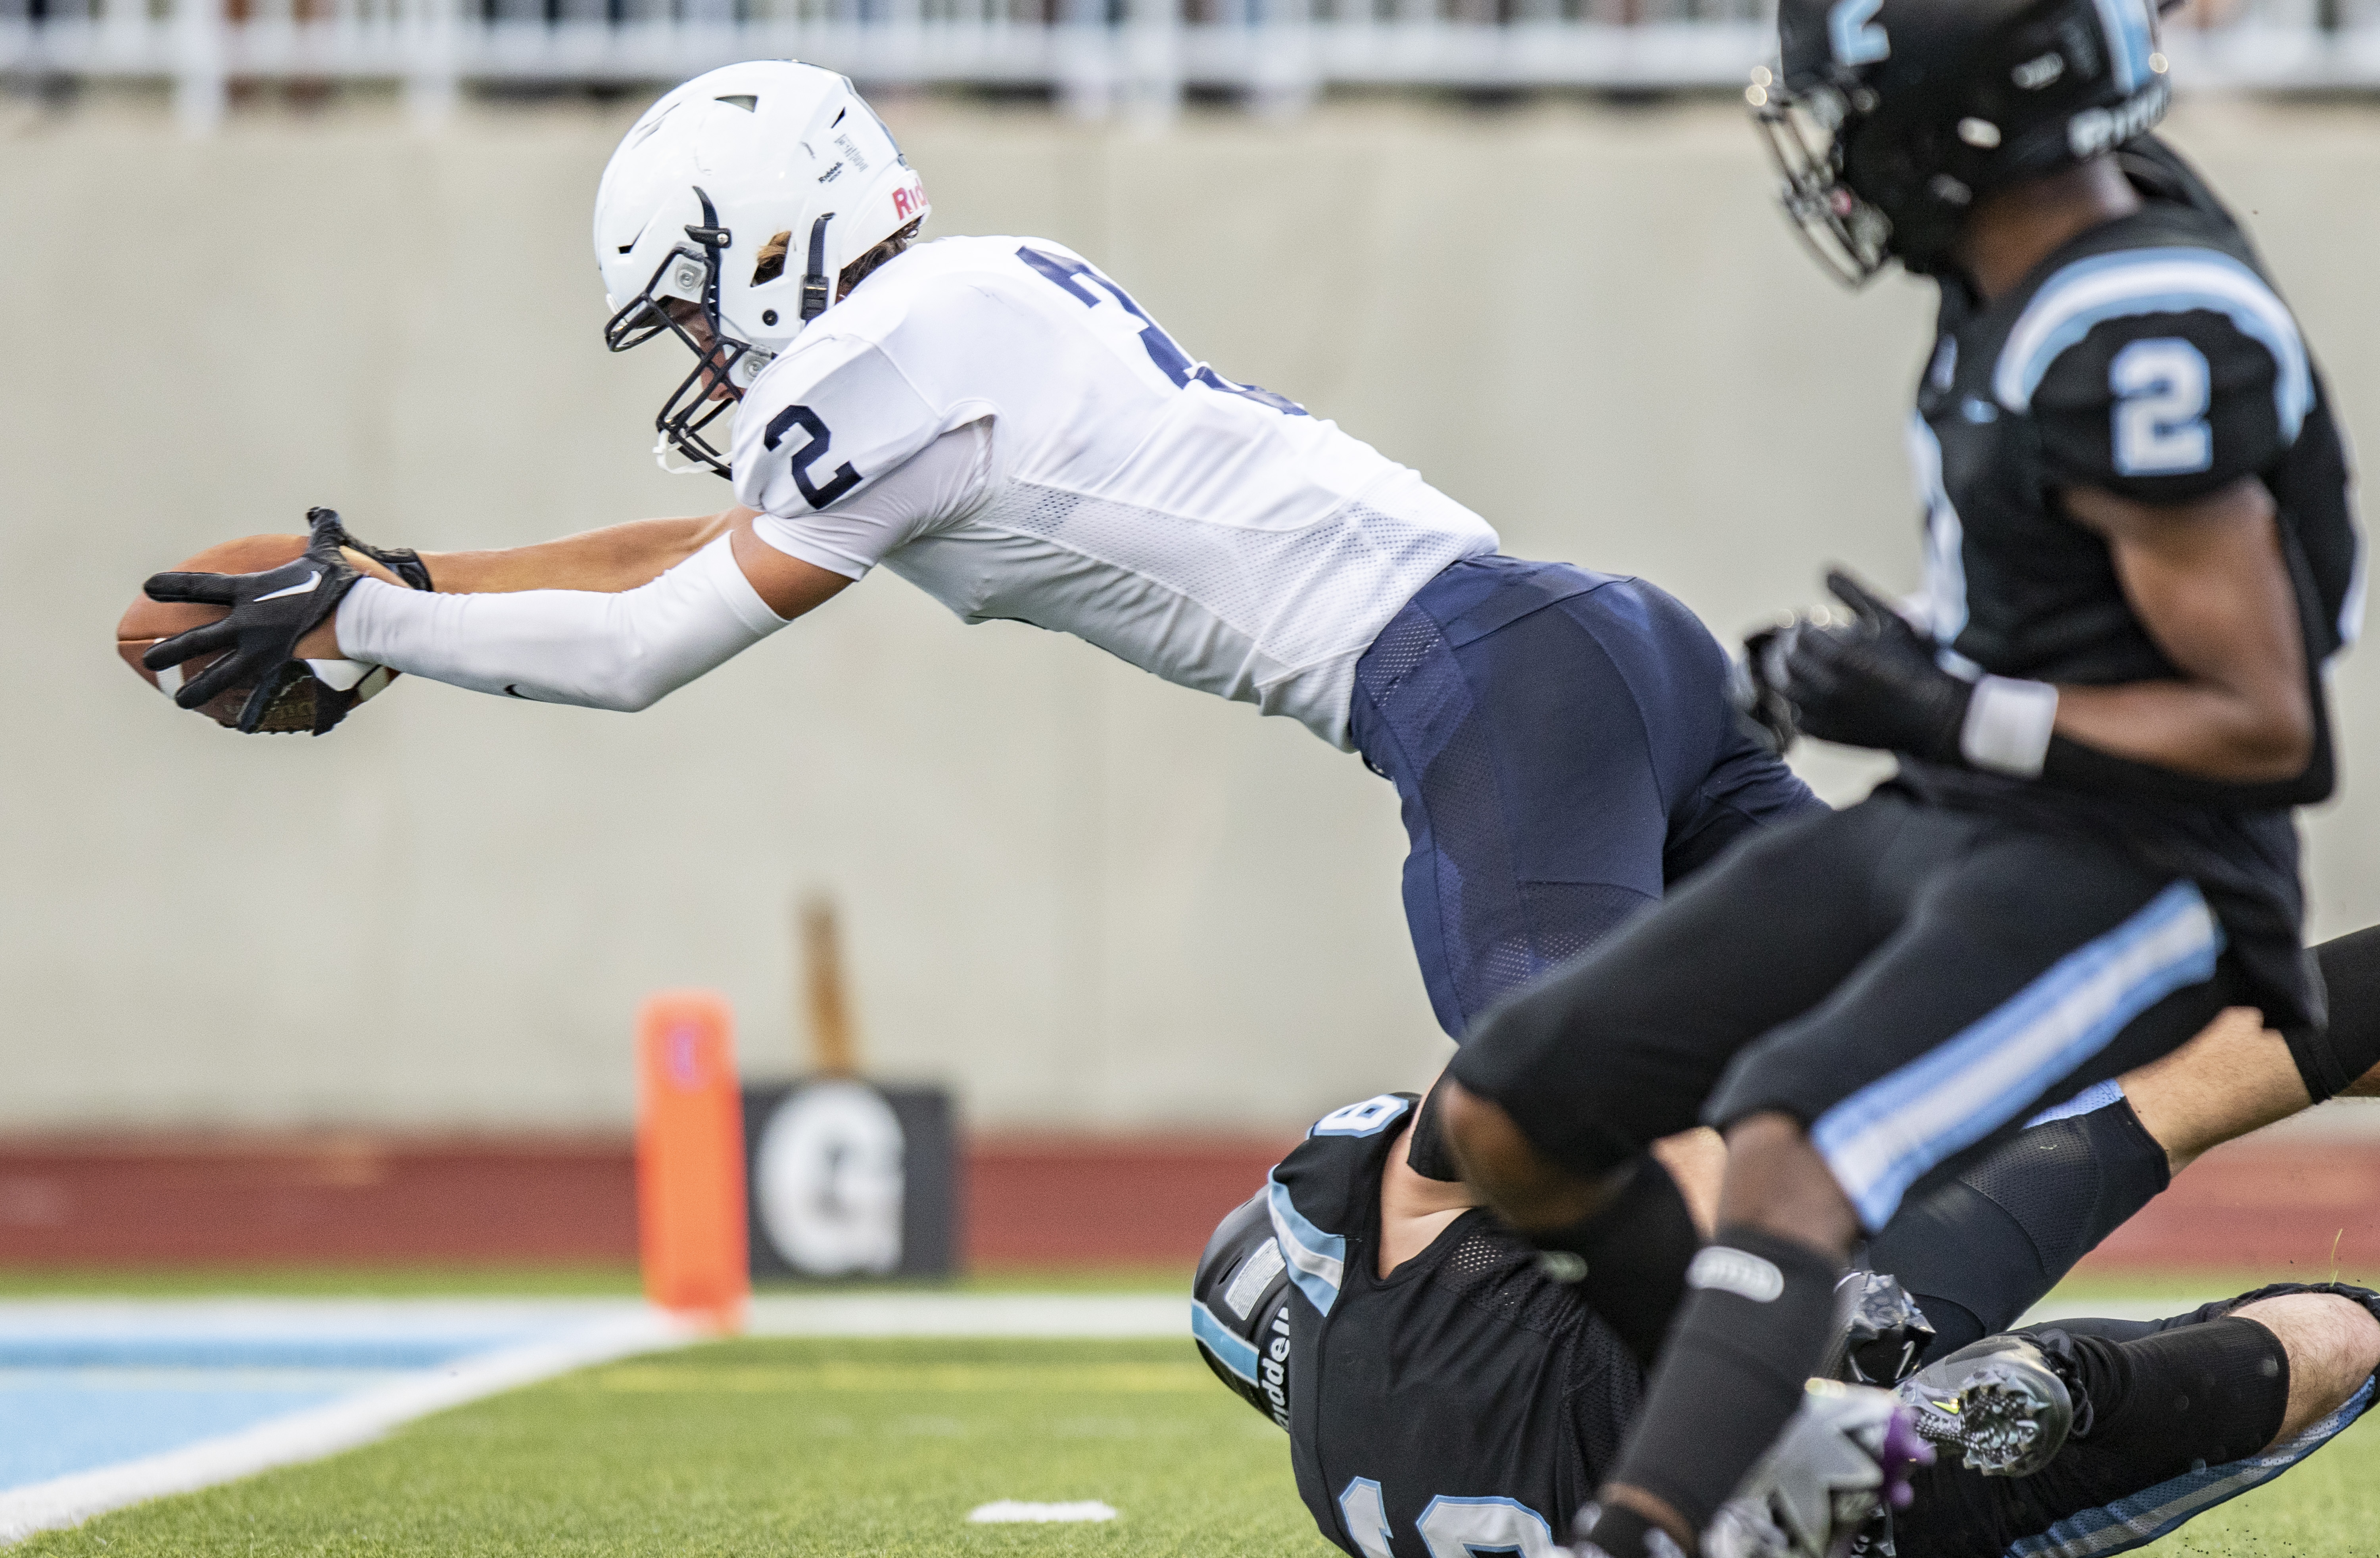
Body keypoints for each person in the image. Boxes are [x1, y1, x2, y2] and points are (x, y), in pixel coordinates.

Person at [137, 58, 1815, 1049]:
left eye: (696, 313)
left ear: (774, 242)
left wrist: (358, 621)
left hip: (1484, 697)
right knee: (1891, 1034)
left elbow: (647, 647)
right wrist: (419, 580)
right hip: (1595, 646)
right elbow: (698, 550)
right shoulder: (972, 300)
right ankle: (1913, 1366)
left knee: (1551, 1127)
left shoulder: (880, 370)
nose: (706, 363)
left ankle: (1713, 1472)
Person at [1424, 0, 2364, 1558]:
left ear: (1964, 120)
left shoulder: (2135, 330)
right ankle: (1792, 1439)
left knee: (1797, 1133)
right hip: (1974, 815)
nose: (1833, 149)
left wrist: (1946, 702)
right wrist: (1910, 683)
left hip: (2154, 863)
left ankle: (1645, 1543)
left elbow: (2268, 730)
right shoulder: (2023, 255)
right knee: (1512, 1106)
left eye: (1854, 107)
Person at [1195, 1083, 2380, 1558]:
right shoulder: (1372, 1230)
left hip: (1811, 1545)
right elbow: (1523, 1087)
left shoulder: (1345, 1493)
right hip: (1753, 1351)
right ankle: (2042, 1368)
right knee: (2152, 1107)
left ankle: (2078, 1379)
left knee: (2344, 1337)